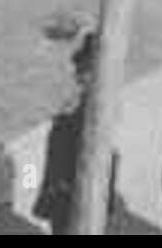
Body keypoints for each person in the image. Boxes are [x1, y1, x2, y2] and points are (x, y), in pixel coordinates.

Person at [32, 32, 121, 234]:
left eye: (83, 68)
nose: (76, 72)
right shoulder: (87, 103)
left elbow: (68, 156)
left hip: (70, 194)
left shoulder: (88, 110)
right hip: (72, 194)